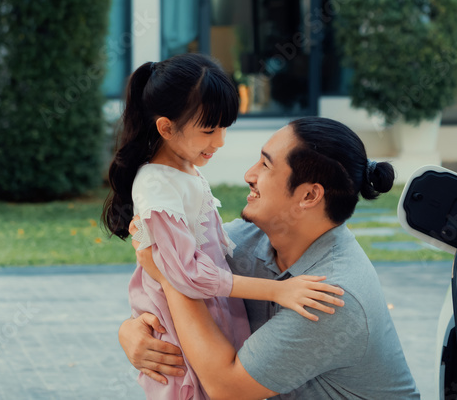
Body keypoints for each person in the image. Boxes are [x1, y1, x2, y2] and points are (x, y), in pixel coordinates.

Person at [119, 117, 421, 400]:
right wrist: (132, 332)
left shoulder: (333, 294)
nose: (249, 175)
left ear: (309, 196)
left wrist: (171, 277)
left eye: (265, 164)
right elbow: (170, 271)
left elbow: (226, 387)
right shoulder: (248, 240)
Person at [103, 55, 345, 400]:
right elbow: (188, 276)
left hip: (208, 305)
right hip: (184, 317)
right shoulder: (157, 187)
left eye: (224, 127)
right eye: (209, 130)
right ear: (166, 128)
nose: (220, 142)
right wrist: (278, 291)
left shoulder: (180, 169)